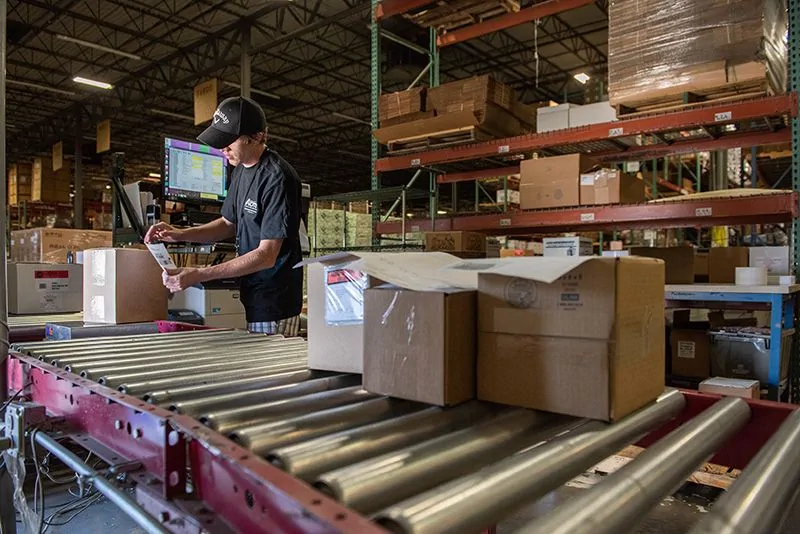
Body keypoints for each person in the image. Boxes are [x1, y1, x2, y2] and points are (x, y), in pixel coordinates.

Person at [145, 96, 303, 335]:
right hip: (253, 292)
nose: (223, 149)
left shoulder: (277, 178)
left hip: (275, 301)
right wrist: (178, 235)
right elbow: (228, 224)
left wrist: (199, 274)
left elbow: (266, 255)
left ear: (257, 137)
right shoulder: (240, 171)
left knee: (267, 370)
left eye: (230, 142)